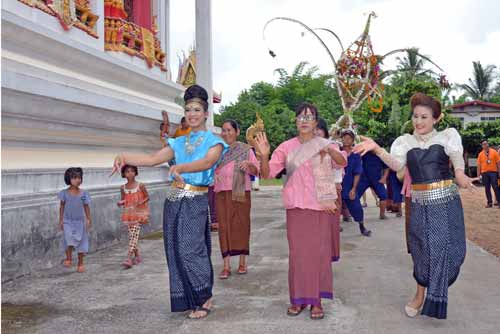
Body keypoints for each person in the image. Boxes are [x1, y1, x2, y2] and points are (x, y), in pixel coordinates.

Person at [354, 92, 474, 319]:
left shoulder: (448, 136)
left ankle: (430, 295)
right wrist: (377, 149)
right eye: (415, 116)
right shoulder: (404, 142)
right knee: (420, 249)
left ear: (436, 119)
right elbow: (397, 164)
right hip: (418, 204)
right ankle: (420, 294)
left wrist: (461, 175)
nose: (418, 121)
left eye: (424, 117)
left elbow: (457, 160)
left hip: (445, 203)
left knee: (441, 247)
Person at [111, 84, 227, 319]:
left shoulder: (214, 142)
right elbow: (153, 159)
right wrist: (124, 157)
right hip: (174, 200)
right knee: (174, 250)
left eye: (196, 110)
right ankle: (187, 297)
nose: (192, 114)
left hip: (195, 199)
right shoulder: (178, 142)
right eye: (188, 110)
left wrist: (181, 167)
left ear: (206, 113)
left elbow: (206, 163)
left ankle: (204, 296)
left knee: (191, 249)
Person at [255, 103, 347, 319]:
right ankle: (298, 299)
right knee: (298, 255)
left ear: (316, 122)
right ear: (295, 121)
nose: (304, 121)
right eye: (300, 117)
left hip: (322, 207)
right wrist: (263, 156)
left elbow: (342, 162)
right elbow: (268, 174)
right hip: (297, 207)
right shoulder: (286, 147)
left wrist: (331, 150)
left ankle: (316, 301)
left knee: (319, 254)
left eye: (309, 117)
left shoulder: (326, 143)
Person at [214, 119, 259, 279]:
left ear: (237, 132)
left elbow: (256, 171)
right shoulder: (217, 150)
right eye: (224, 130)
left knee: (241, 225)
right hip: (221, 193)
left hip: (241, 192)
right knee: (224, 227)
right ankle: (226, 265)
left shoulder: (246, 150)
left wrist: (249, 166)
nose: (226, 133)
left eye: (229, 130)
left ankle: (242, 262)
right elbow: (208, 168)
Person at [316, 118, 347, 258]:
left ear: (324, 131)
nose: (315, 132)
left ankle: (328, 257)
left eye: (319, 129)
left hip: (329, 195)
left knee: (329, 227)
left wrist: (328, 150)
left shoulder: (332, 147)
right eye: (313, 129)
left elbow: (341, 164)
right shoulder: (301, 148)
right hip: (309, 196)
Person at [58, 167, 92, 273]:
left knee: (81, 243)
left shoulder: (84, 194)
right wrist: (61, 220)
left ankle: (80, 263)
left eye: (79, 177)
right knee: (68, 239)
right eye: (74, 178)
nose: (77, 180)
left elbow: (86, 206)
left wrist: (88, 219)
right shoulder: (64, 193)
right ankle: (68, 258)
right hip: (68, 221)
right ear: (68, 179)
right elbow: (62, 206)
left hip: (80, 222)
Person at [117, 165, 150, 268]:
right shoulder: (123, 188)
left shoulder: (140, 185)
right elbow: (124, 199)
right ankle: (138, 256)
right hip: (128, 214)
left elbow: (147, 197)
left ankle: (128, 258)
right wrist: (121, 202)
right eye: (127, 171)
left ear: (136, 172)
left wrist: (141, 201)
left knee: (134, 234)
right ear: (123, 174)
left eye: (132, 171)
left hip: (138, 213)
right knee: (132, 235)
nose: (130, 173)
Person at [341, 129, 372, 237]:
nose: (346, 140)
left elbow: (357, 173)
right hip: (336, 185)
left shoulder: (356, 155)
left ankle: (362, 226)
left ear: (353, 140)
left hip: (349, 184)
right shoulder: (337, 152)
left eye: (349, 138)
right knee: (333, 208)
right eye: (344, 137)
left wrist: (354, 188)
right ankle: (332, 227)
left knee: (356, 207)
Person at [357, 150, 389, 219]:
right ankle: (353, 215)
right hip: (364, 179)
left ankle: (382, 215)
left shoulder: (381, 155)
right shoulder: (364, 154)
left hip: (377, 180)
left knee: (383, 196)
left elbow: (386, 168)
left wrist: (384, 178)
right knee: (354, 197)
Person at [477, 139, 500, 208]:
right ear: (482, 146)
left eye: (486, 143)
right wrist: (478, 175)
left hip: (493, 172)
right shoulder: (480, 154)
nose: (486, 145)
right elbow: (479, 165)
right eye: (484, 144)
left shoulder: (494, 152)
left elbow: (498, 163)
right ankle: (489, 203)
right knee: (487, 188)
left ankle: (499, 202)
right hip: (484, 173)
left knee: (495, 187)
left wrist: (499, 172)